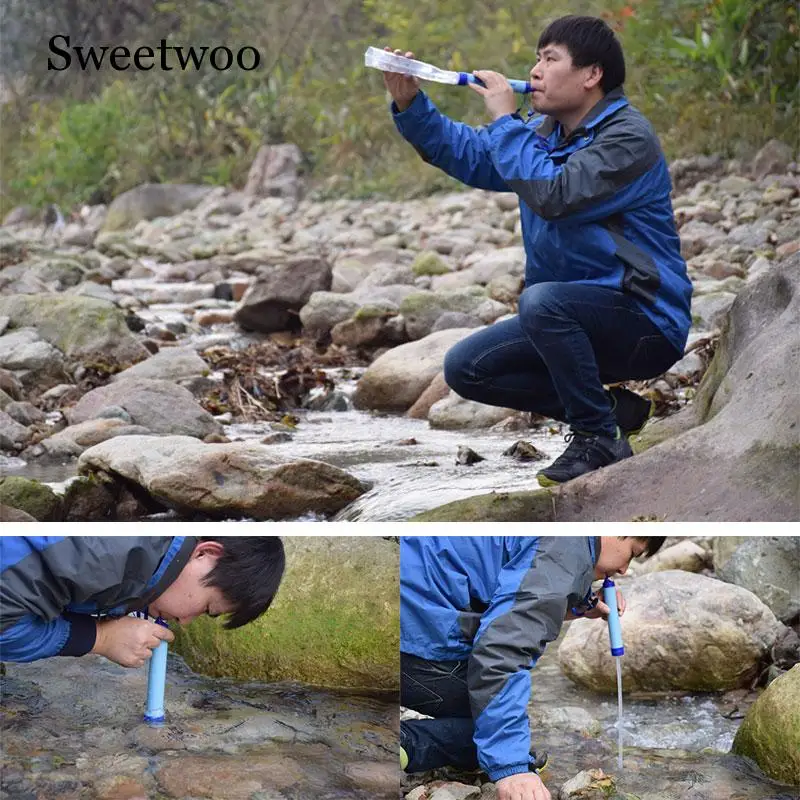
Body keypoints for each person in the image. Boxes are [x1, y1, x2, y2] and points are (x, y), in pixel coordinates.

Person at [382, 15, 692, 487]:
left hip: (645, 320)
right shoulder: (543, 132)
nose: (535, 71)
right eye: (536, 58)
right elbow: (471, 154)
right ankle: (611, 413)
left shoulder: (627, 138)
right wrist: (409, 102)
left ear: (592, 76)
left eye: (550, 59)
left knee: (541, 302)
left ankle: (596, 438)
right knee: (466, 368)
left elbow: (555, 196)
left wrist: (507, 120)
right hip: (571, 320)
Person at [399, 535, 665, 800]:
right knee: (494, 722)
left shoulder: (563, 540)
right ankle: (396, 741)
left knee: (501, 718)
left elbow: (515, 592)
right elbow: (500, 651)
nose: (623, 569)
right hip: (409, 640)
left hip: (404, 609)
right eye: (631, 553)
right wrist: (511, 768)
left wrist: (583, 604)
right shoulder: (566, 545)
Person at [0, 536, 285, 667]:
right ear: (205, 554)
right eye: (207, 608)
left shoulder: (141, 559)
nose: (185, 622)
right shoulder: (105, 555)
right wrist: (99, 637)